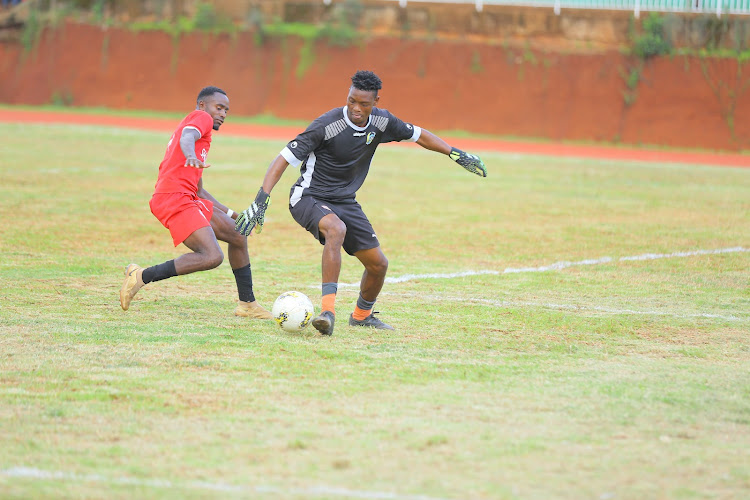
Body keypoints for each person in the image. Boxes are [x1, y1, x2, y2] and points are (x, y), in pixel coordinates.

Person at [235, 70, 486, 335]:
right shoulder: (327, 125)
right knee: (336, 229)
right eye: (351, 100)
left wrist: (454, 153)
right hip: (309, 197)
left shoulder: (381, 121)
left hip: (345, 201)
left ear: (376, 101)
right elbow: (284, 157)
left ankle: (362, 316)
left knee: (378, 265)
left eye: (363, 104)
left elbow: (418, 134)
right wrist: (262, 198)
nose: (356, 108)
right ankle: (327, 313)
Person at [120, 86, 272, 319]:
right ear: (202, 105)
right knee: (212, 256)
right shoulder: (199, 119)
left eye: (226, 110)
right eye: (218, 107)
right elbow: (187, 135)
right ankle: (141, 276)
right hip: (173, 199)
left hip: (188, 198)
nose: (222, 113)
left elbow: (200, 191)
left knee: (238, 234)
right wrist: (190, 153)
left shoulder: (202, 140)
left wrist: (235, 216)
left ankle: (247, 305)